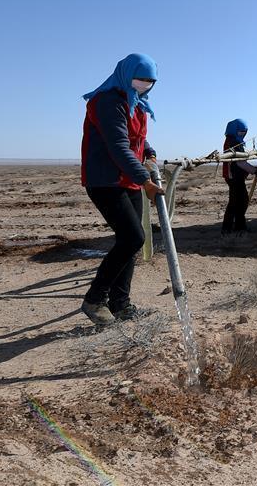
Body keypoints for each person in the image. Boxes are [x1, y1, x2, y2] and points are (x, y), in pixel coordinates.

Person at [80, 53, 164, 325]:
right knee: (132, 238)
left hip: (127, 179)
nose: (145, 84)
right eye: (140, 79)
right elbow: (118, 146)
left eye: (150, 81)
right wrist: (146, 181)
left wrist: (149, 151)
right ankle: (95, 299)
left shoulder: (135, 102)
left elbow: (138, 136)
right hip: (106, 180)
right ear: (127, 75)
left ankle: (121, 304)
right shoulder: (106, 101)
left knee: (130, 241)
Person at [221, 118, 257, 235]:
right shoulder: (233, 142)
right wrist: (255, 171)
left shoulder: (234, 140)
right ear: (234, 130)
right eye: (241, 131)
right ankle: (227, 229)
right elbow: (240, 162)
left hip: (237, 176)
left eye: (244, 132)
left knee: (241, 201)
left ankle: (239, 226)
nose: (243, 134)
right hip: (233, 176)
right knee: (235, 202)